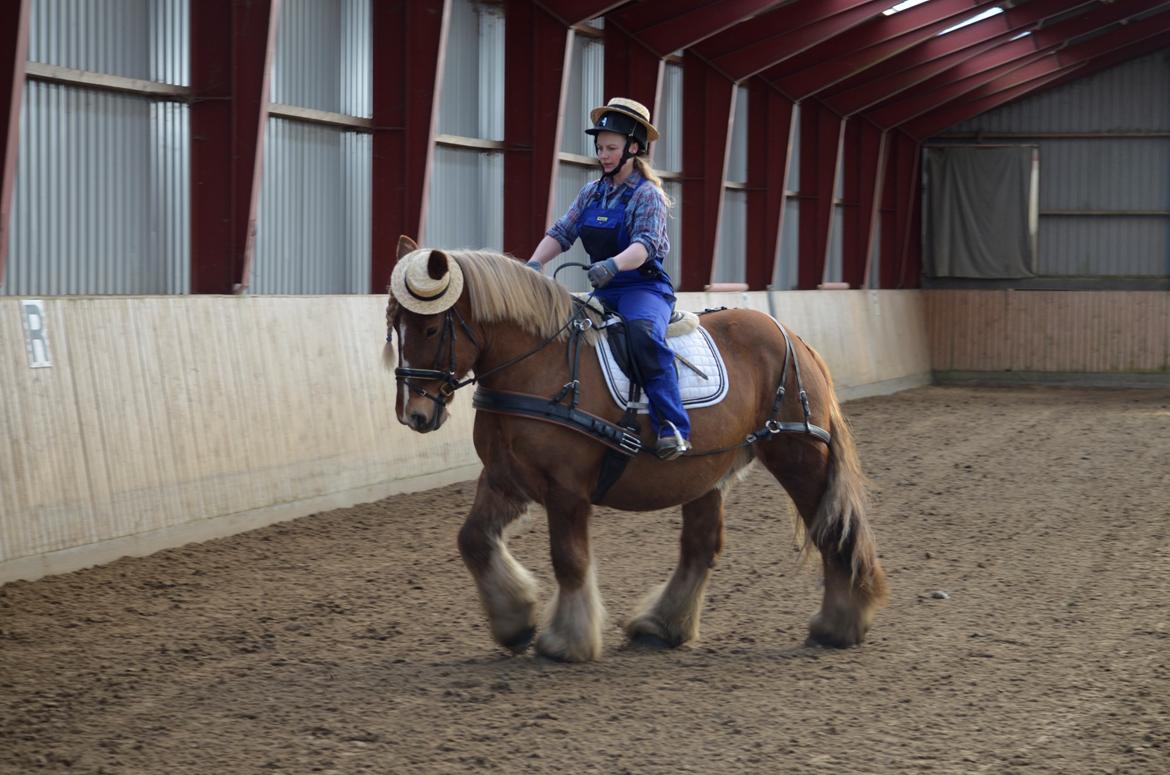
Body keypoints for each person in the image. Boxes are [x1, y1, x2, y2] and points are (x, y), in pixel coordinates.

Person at [526, 97, 691, 460]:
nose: (603, 154)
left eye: (611, 148)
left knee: (644, 337)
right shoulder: (591, 192)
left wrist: (614, 265)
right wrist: (535, 263)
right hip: (602, 288)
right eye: (600, 147)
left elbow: (646, 245)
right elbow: (562, 232)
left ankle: (673, 426)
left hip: (642, 288)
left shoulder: (648, 195)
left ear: (633, 148)